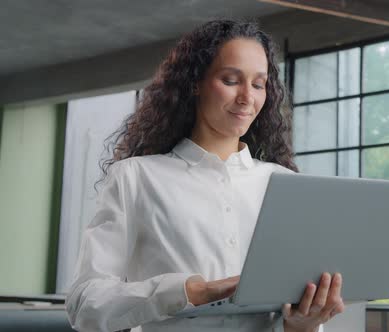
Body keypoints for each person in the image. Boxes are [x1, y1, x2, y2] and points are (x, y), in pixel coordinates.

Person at [65, 19, 345, 332]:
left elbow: (294, 307)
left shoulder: (287, 185)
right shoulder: (136, 178)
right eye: (230, 80)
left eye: (258, 84)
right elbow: (83, 303)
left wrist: (303, 324)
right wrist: (190, 292)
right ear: (196, 82)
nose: (246, 97)